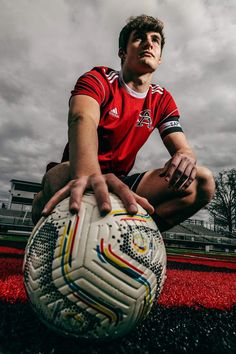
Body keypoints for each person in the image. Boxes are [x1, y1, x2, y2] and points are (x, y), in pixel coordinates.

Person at [32, 15, 215, 231]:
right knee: (58, 175)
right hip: (78, 174)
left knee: (203, 182)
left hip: (119, 182)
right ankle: (48, 215)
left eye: (155, 40)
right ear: (122, 52)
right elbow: (82, 117)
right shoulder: (98, 78)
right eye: (139, 38)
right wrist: (89, 175)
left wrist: (186, 155)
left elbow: (182, 147)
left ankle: (133, 234)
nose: (149, 43)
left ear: (160, 58)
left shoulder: (161, 98)